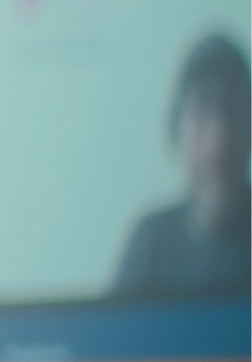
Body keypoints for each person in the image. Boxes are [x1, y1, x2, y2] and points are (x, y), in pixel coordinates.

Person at [108, 33, 251, 300]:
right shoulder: (150, 243)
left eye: (231, 112)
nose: (217, 140)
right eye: (201, 116)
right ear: (177, 131)